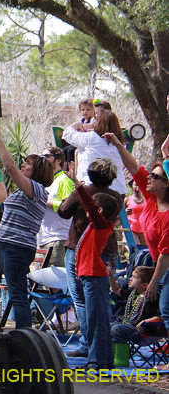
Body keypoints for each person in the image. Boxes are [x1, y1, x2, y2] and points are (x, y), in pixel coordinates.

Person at [103, 129, 169, 363]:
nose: (148, 177)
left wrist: (154, 282)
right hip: (159, 262)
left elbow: (166, 254)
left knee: (166, 308)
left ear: (166, 184)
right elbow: (133, 167)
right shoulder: (152, 198)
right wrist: (118, 143)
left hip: (165, 264)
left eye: (155, 176)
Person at [0, 122, 52, 329]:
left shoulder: (36, 189)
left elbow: (10, 168)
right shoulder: (25, 190)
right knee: (16, 292)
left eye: (28, 163)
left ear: (37, 170)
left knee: (19, 295)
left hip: (17, 247)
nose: (23, 165)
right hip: (9, 245)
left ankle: (24, 335)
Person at [58, 154, 123, 360]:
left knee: (88, 306)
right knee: (100, 308)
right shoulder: (116, 197)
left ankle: (93, 353)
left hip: (90, 266)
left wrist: (78, 187)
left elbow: (65, 210)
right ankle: (102, 355)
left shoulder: (97, 216)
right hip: (101, 259)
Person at [62, 111, 127, 197]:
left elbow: (67, 134)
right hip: (118, 188)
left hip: (93, 188)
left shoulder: (91, 138)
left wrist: (78, 124)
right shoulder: (120, 143)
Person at [37, 146, 74, 267]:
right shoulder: (46, 180)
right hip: (43, 238)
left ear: (58, 160)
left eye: (47, 156)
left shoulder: (64, 180)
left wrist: (46, 200)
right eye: (41, 156)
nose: (43, 159)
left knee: (55, 277)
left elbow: (70, 207)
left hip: (57, 238)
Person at [126, 182, 147, 247]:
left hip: (143, 228)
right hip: (131, 228)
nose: (137, 187)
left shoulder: (146, 199)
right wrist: (126, 212)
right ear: (132, 186)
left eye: (139, 185)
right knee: (135, 247)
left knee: (145, 249)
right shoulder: (127, 199)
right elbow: (121, 215)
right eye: (135, 185)